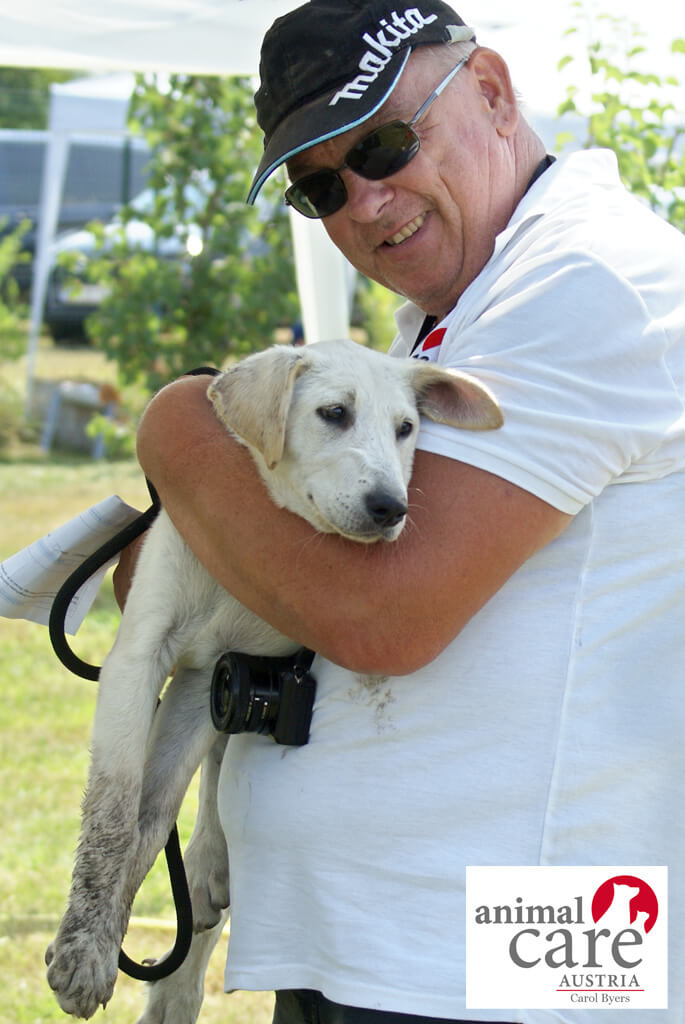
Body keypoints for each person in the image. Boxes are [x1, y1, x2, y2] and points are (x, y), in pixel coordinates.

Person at [123, 1, 685, 1021]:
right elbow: (264, 584)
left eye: (385, 145)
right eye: (321, 188)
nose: (365, 202)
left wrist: (181, 429)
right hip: (389, 943)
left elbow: (380, 617)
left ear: (492, 93)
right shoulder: (455, 316)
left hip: (507, 959)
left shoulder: (585, 280)